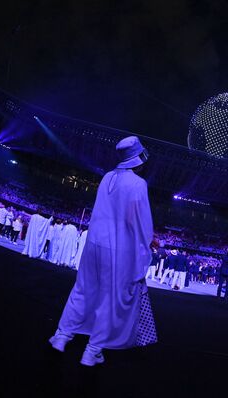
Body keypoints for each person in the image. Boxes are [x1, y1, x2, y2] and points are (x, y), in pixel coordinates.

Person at [49, 136, 156, 366]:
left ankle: (62, 335)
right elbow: (140, 223)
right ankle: (93, 350)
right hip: (117, 249)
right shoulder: (138, 184)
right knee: (109, 297)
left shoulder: (108, 176)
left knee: (82, 289)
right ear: (137, 159)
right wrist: (145, 247)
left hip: (94, 243)